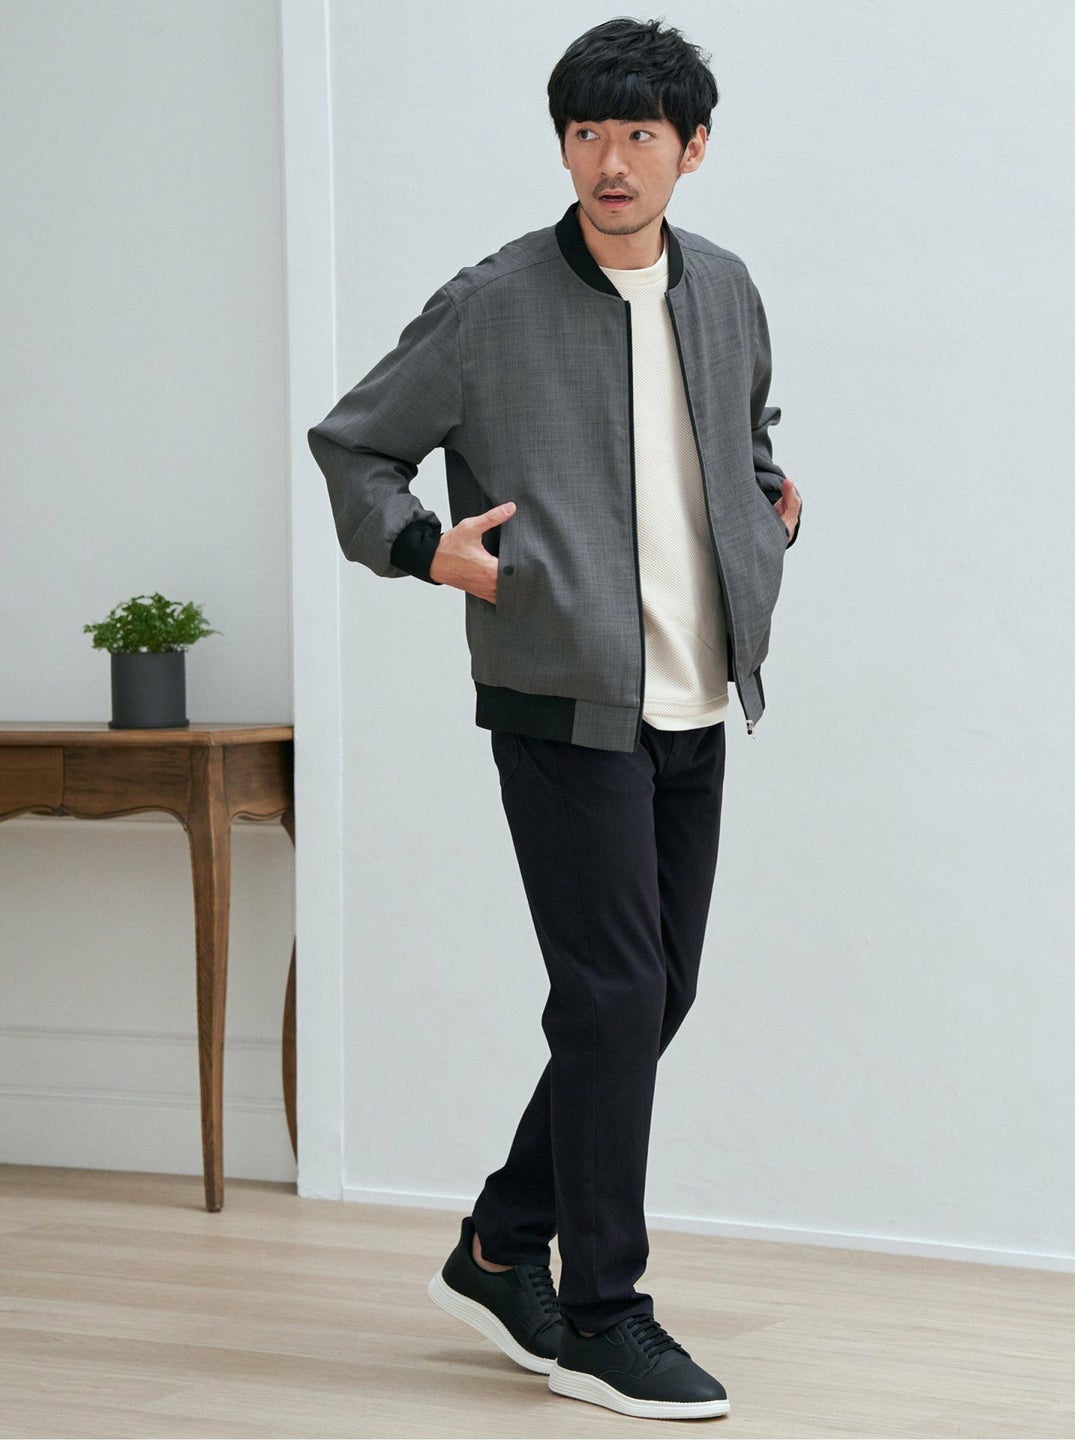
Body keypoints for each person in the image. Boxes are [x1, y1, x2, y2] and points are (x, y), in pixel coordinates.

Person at [308, 16, 800, 1423]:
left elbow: (747, 439)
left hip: (696, 690)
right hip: (560, 696)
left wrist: (769, 511)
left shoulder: (727, 289)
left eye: (641, 134)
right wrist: (426, 549)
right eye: (588, 134)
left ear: (693, 150)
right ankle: (601, 1314)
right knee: (612, 995)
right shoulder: (494, 304)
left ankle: (497, 1244)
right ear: (565, 148)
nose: (612, 160)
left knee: (653, 994)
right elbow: (355, 445)